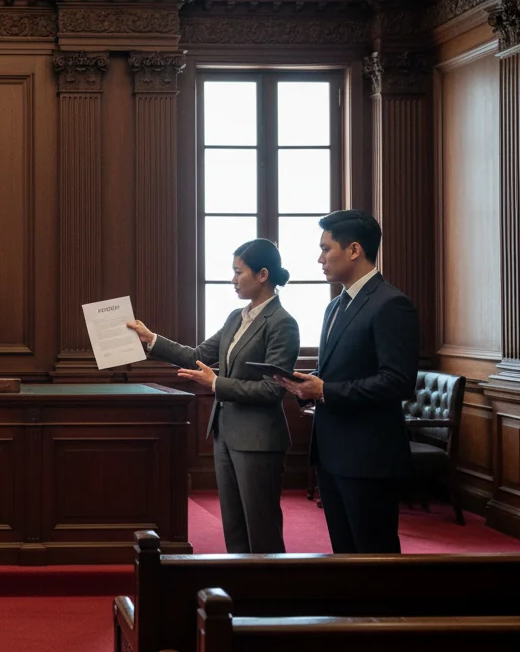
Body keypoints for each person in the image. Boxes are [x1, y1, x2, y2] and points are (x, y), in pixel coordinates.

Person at [126, 239, 299, 554]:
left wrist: (217, 384)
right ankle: (240, 592)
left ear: (262, 274)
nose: (232, 279)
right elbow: (197, 355)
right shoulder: (236, 316)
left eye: (238, 272)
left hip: (259, 441)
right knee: (233, 526)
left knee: (262, 528)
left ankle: (272, 597)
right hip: (226, 435)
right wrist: (151, 339)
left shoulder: (282, 323)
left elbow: (274, 390)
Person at [276, 209, 418, 554]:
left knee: (375, 554)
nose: (320, 258)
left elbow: (398, 382)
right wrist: (308, 385)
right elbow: (342, 371)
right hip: (331, 451)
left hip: (369, 456)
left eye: (326, 249)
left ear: (354, 250)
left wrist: (326, 390)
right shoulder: (336, 306)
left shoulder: (391, 304)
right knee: (344, 554)